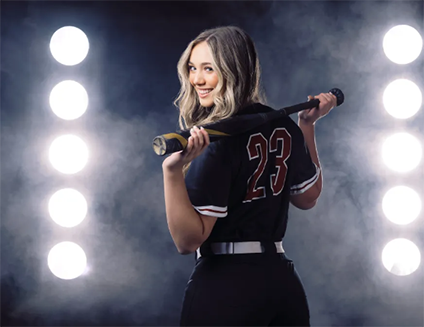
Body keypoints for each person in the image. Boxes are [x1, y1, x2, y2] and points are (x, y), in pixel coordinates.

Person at [161, 26, 337, 327]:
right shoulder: (285, 127)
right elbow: (308, 198)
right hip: (281, 283)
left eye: (209, 69)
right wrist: (307, 126)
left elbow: (188, 240)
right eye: (193, 68)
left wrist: (172, 171)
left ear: (234, 71)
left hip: (225, 287)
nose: (197, 80)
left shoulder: (216, 140)